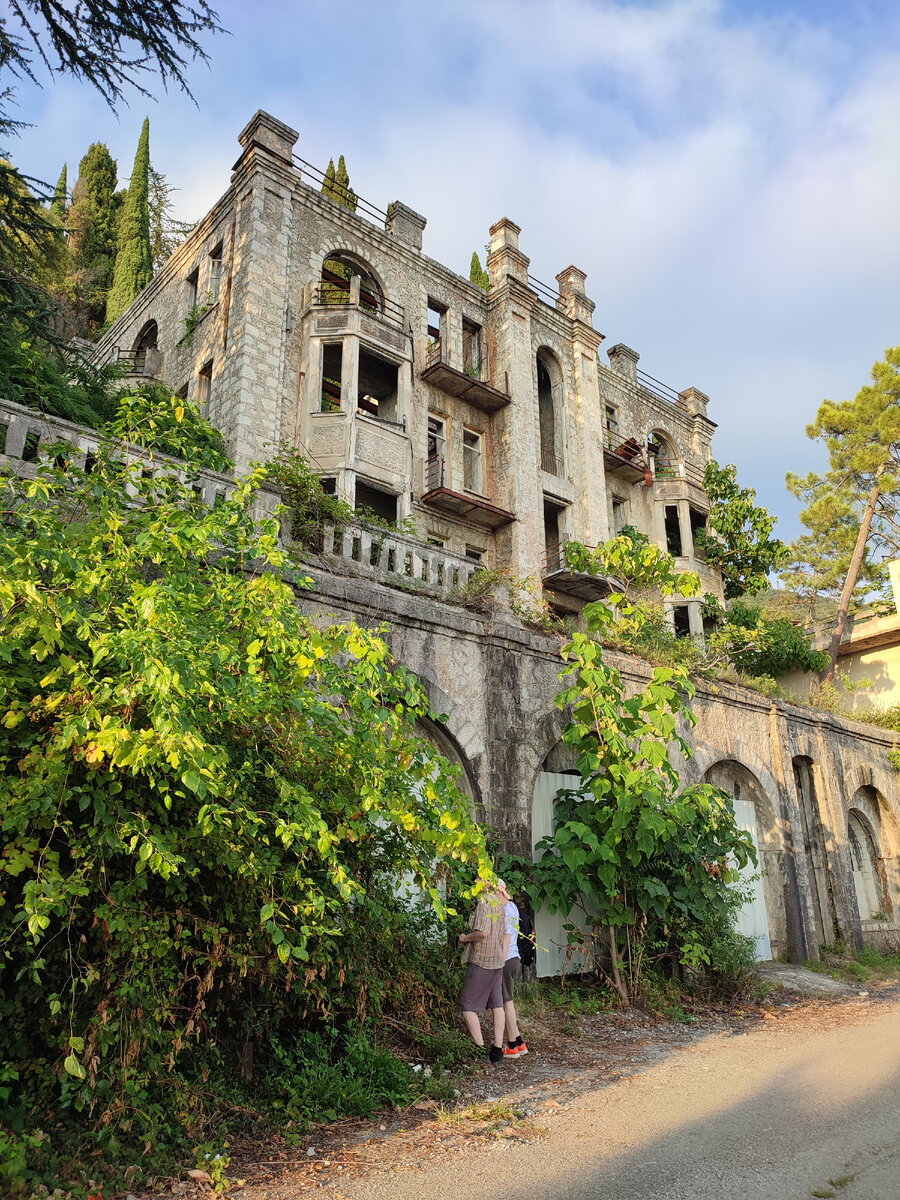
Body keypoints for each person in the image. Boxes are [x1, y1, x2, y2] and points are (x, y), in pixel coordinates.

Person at [458, 885, 509, 1063]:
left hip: (482, 961)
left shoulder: (484, 902)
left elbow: (482, 933)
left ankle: (480, 1051)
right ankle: (497, 1050)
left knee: (467, 1005)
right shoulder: (500, 905)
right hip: (497, 961)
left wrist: (465, 938)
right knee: (497, 1005)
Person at [498, 879, 528, 1058]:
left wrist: (499, 961)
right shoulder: (512, 906)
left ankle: (511, 1045)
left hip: (507, 958)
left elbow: (507, 937)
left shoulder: (506, 910)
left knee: (506, 1002)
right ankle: (518, 1042)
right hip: (513, 957)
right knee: (507, 1001)